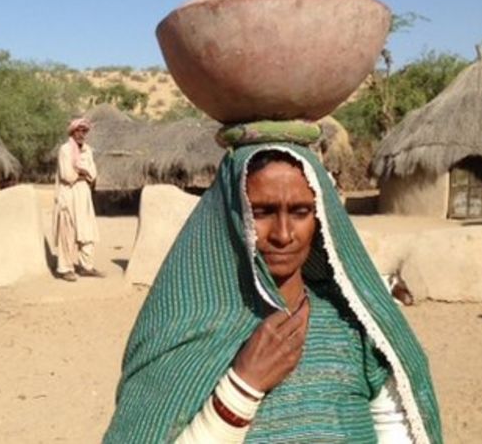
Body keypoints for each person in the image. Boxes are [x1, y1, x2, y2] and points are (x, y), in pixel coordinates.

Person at [105, 133, 442, 443]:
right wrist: (241, 387)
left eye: (300, 211)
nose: (283, 234)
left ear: (320, 218)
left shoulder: (356, 326)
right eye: (262, 212)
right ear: (232, 216)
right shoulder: (187, 329)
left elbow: (397, 427)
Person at [53, 117, 104, 282]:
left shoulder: (87, 150)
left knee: (87, 231)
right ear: (72, 132)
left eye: (84, 131)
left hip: (83, 194)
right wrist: (83, 173)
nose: (82, 134)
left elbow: (93, 173)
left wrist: (82, 172)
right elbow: (67, 175)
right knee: (67, 232)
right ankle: (66, 268)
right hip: (68, 195)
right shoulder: (65, 150)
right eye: (79, 131)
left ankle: (86, 266)